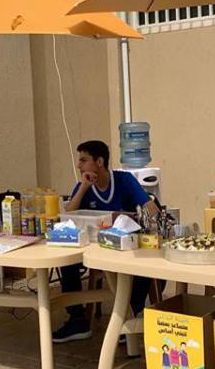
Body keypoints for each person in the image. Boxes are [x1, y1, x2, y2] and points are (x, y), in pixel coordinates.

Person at [52, 140, 160, 343]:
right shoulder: (83, 186)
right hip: (94, 245)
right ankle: (77, 320)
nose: (79, 165)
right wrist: (84, 187)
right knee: (66, 261)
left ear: (99, 162)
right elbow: (68, 215)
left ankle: (131, 314)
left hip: (124, 243)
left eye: (84, 160)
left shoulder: (124, 180)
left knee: (145, 259)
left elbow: (151, 208)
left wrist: (131, 218)